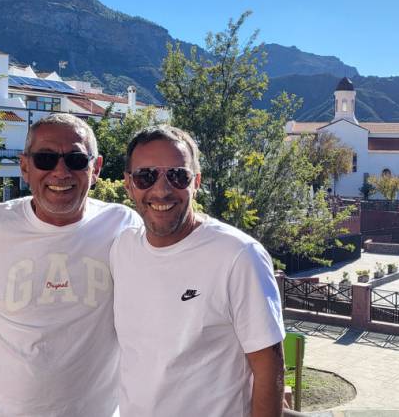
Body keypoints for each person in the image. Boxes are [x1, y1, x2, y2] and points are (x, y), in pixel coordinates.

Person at [0, 113, 140, 417]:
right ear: (25, 167)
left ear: (96, 169)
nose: (61, 172)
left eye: (76, 160)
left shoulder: (122, 224)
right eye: (45, 159)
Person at [110, 125, 286, 417]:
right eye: (146, 176)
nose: (162, 190)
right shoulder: (122, 248)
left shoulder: (238, 255)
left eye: (178, 176)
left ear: (196, 182)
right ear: (129, 184)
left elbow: (269, 367)